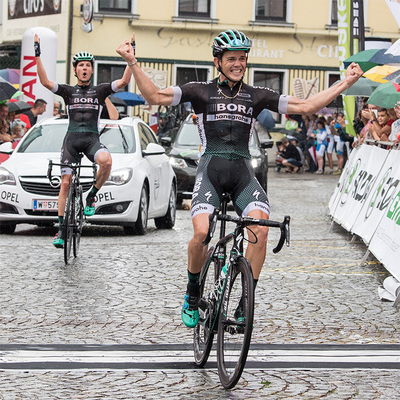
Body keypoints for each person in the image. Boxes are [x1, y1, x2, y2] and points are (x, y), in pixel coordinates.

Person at [116, 29, 363, 328]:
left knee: (260, 229)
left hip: (243, 174)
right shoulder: (199, 91)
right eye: (231, 58)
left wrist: (345, 83)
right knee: (201, 233)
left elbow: (306, 106)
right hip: (211, 171)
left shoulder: (256, 95)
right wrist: (133, 62)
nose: (238, 64)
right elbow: (154, 96)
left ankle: (246, 301)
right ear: (217, 62)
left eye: (242, 58)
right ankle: (192, 292)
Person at [34, 33, 133, 248]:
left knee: (106, 161)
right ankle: (60, 229)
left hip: (91, 141)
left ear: (91, 69)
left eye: (88, 65)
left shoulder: (100, 91)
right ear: (75, 70)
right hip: (71, 141)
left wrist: (130, 56)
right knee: (65, 184)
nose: (85, 68)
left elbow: (125, 81)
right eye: (81, 66)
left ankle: (91, 196)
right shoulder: (68, 92)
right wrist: (37, 54)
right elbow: (43, 81)